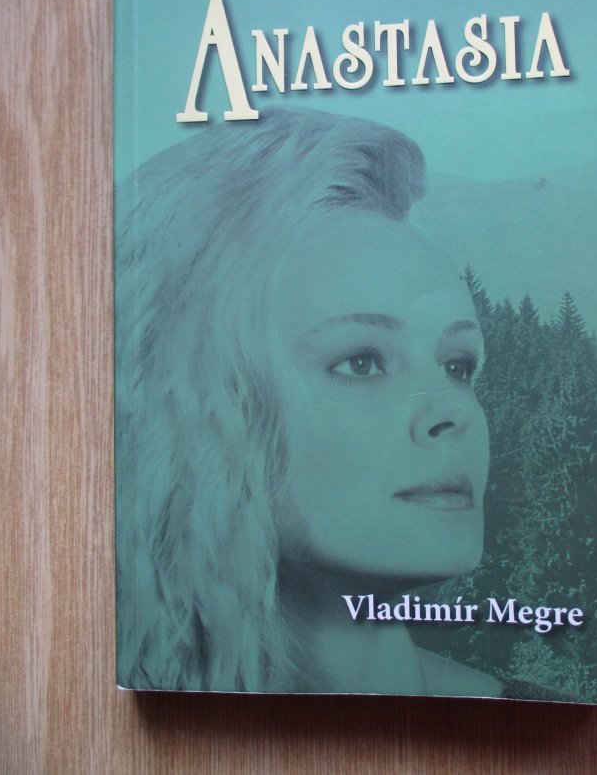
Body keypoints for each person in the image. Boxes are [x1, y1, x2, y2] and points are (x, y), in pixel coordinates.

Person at [115, 106, 503, 696]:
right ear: (200, 407)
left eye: (457, 366)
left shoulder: (536, 717)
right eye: (362, 362)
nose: (453, 412)